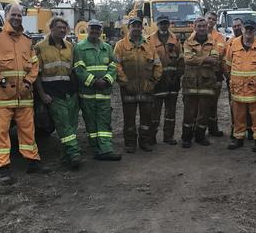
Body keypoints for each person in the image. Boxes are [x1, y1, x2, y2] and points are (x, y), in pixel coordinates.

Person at [0, 3, 48, 184]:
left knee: (28, 131)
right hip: (1, 98)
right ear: (6, 15)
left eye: (19, 15)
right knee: (0, 133)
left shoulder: (27, 39)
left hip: (24, 96)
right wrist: (1, 81)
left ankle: (33, 163)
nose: (17, 18)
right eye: (14, 15)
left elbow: (34, 65)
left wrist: (28, 82)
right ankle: (3, 170)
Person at [35, 17, 82, 170]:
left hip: (70, 91)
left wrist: (78, 92)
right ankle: (75, 153)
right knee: (63, 125)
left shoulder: (70, 46)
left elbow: (74, 70)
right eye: (59, 27)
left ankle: (65, 157)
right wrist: (42, 95)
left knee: (72, 125)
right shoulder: (40, 47)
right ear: (51, 28)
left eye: (64, 28)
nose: (62, 30)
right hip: (53, 93)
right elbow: (36, 74)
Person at [73, 19, 121, 161]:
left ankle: (106, 149)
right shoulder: (79, 48)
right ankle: (95, 149)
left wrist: (106, 80)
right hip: (88, 94)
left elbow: (113, 66)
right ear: (87, 30)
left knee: (105, 122)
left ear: (101, 31)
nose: (95, 31)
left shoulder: (107, 47)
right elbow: (79, 69)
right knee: (91, 123)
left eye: (97, 29)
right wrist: (94, 82)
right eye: (92, 28)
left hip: (104, 94)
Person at [114, 17, 162, 153]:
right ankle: (130, 143)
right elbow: (117, 66)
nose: (136, 28)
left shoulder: (149, 45)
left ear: (142, 28)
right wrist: (125, 83)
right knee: (129, 119)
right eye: (133, 26)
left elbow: (158, 65)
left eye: (138, 26)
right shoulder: (120, 45)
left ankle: (144, 142)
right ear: (129, 28)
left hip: (147, 88)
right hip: (129, 89)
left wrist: (153, 82)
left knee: (147, 118)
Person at [226, 19, 256, 152]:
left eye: (252, 29)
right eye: (247, 28)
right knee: (238, 115)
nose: (249, 31)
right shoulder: (233, 44)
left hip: (255, 90)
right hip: (238, 89)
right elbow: (228, 65)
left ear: (255, 30)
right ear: (243, 29)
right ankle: (238, 138)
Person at [181, 17, 220, 148]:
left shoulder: (212, 42)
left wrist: (197, 58)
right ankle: (186, 138)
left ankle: (200, 136)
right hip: (190, 82)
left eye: (204, 26)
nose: (202, 28)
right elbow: (187, 59)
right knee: (189, 112)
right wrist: (205, 59)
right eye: (199, 26)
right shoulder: (188, 42)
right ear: (194, 27)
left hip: (207, 83)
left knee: (204, 112)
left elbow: (215, 59)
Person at [149, 15, 184, 145]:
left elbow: (181, 59)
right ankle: (151, 137)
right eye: (161, 23)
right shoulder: (150, 40)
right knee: (154, 113)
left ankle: (168, 136)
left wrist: (178, 75)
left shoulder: (175, 39)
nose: (164, 25)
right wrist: (152, 79)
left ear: (169, 24)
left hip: (172, 82)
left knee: (171, 112)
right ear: (157, 24)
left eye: (166, 23)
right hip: (157, 82)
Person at [224, 18, 252, 140]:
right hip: (234, 82)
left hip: (251, 83)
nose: (236, 28)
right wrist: (229, 77)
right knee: (235, 107)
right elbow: (226, 62)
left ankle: (250, 128)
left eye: (238, 25)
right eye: (234, 26)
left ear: (243, 27)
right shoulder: (230, 43)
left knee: (251, 107)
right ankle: (235, 127)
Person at [205, 11, 226, 137]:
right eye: (209, 18)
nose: (211, 21)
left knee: (213, 102)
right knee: (201, 102)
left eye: (214, 19)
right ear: (205, 18)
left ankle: (213, 128)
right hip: (201, 74)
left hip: (216, 73)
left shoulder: (220, 36)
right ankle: (199, 129)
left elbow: (220, 53)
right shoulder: (196, 35)